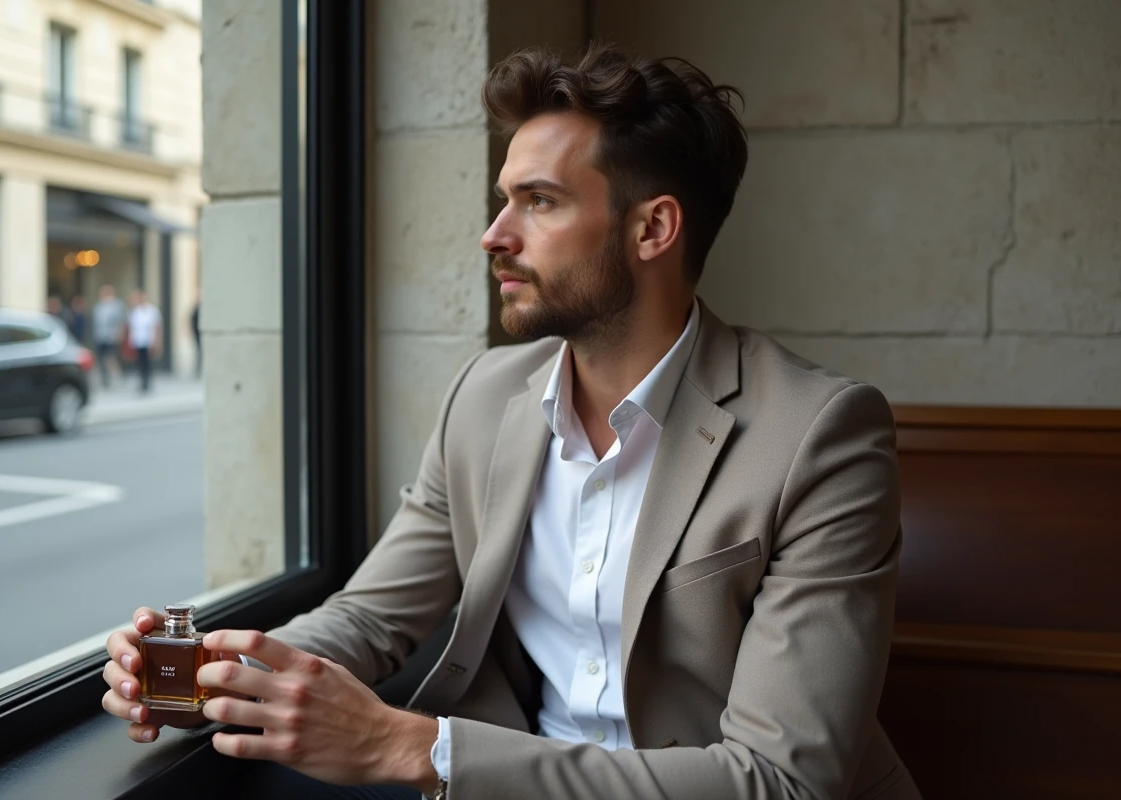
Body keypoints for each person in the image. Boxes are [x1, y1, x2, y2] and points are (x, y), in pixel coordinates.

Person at [102, 43, 921, 799]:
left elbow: (781, 781)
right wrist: (214, 672)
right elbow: (372, 617)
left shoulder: (820, 435)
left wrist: (417, 748)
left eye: (539, 202)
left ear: (653, 228)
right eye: (505, 201)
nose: (494, 236)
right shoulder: (484, 397)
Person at [126, 289, 161, 394]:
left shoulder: (152, 311)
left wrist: (156, 341)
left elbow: (156, 326)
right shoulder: (135, 311)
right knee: (140, 362)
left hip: (148, 340)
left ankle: (147, 381)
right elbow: (132, 327)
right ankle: (142, 381)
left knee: (147, 362)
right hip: (138, 340)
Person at [92, 285, 126, 388]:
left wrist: (120, 333)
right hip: (100, 336)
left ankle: (116, 376)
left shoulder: (117, 305)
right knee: (101, 358)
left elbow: (122, 320)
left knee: (111, 357)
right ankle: (105, 378)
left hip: (112, 336)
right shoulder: (99, 306)